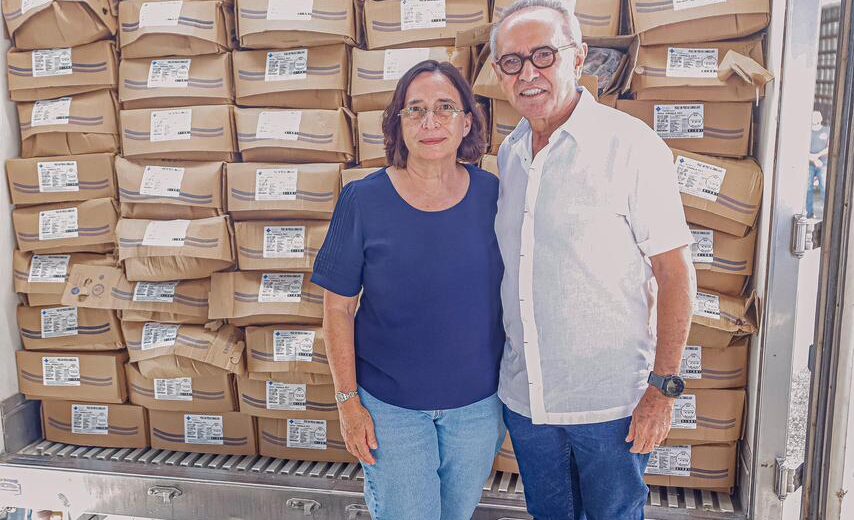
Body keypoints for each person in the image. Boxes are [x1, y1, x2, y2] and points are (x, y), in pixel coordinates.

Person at [490, 1, 697, 518]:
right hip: (529, 403)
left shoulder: (629, 146)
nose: (528, 73)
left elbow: (674, 273)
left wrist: (663, 390)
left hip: (611, 409)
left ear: (579, 58)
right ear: (498, 73)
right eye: (512, 61)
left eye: (544, 55)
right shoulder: (510, 154)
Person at [311, 60, 505, 520]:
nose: (430, 122)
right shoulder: (363, 200)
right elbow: (337, 309)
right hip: (391, 410)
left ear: (467, 122)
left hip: (478, 409)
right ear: (398, 124)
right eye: (415, 110)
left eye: (445, 108)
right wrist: (348, 404)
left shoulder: (494, 196)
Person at [807, 110, 830, 217]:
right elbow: (803, 148)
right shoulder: (807, 131)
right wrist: (813, 159)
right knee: (808, 188)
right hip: (810, 164)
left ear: (821, 118)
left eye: (817, 116)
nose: (815, 118)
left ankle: (826, 214)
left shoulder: (827, 130)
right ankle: (809, 213)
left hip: (823, 164)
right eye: (813, 116)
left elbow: (830, 147)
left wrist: (817, 156)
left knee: (824, 188)